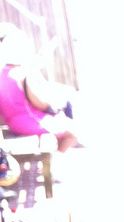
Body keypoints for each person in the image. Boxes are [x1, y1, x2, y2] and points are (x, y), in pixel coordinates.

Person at [0, 23, 80, 152]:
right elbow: (38, 102)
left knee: (59, 125)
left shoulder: (2, 74)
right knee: (73, 131)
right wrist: (52, 107)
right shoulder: (22, 73)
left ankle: (53, 156)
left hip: (12, 123)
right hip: (29, 121)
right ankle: (57, 159)